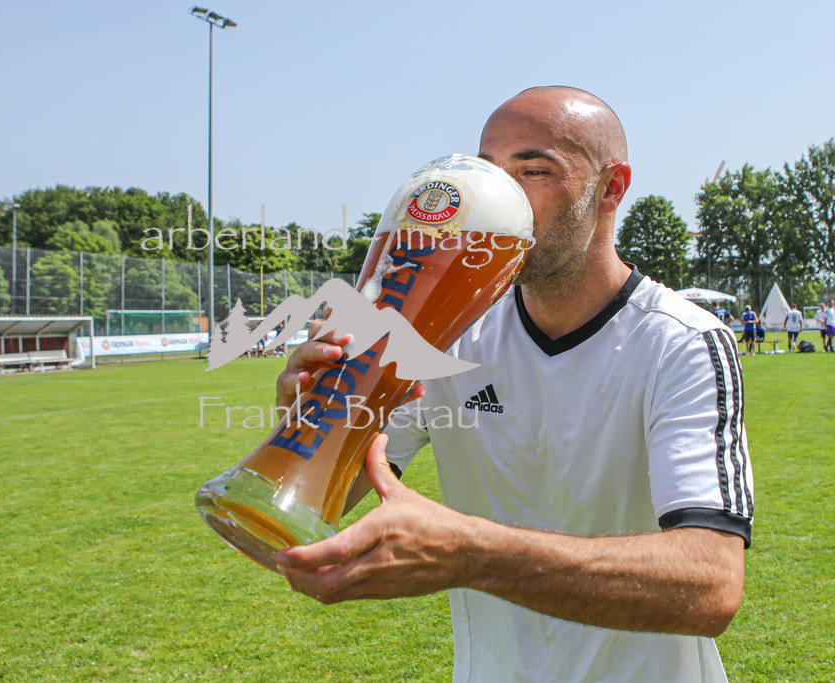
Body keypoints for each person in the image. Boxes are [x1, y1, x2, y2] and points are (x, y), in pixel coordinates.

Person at [274, 87, 752, 681]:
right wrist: (311, 422)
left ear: (612, 188)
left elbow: (708, 584)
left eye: (533, 170)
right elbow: (322, 500)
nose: (497, 197)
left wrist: (471, 553)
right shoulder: (443, 328)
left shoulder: (680, 341)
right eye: (486, 172)